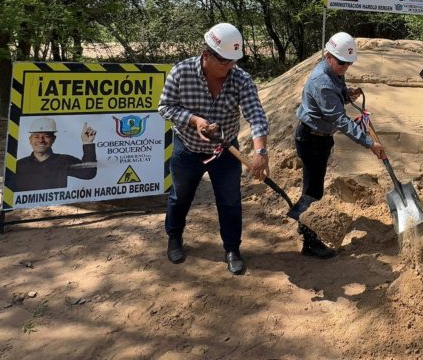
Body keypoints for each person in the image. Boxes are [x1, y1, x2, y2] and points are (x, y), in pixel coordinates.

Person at [157, 22, 269, 276]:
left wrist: (260, 152)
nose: (230, 67)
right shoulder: (181, 72)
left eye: (233, 61)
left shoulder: (241, 79)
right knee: (180, 196)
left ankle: (232, 249)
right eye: (224, 61)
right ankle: (174, 237)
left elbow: (257, 116)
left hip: (225, 152)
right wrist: (194, 120)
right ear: (206, 54)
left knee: (230, 201)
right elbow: (165, 107)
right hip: (187, 148)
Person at [290, 32, 385, 258]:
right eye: (342, 62)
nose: (345, 67)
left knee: (314, 186)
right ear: (328, 55)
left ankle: (303, 221)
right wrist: (369, 143)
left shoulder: (334, 73)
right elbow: (340, 120)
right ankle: (308, 239)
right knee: (313, 191)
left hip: (321, 137)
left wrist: (347, 94)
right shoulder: (321, 82)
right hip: (311, 138)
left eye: (349, 63)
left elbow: (336, 97)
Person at [15, 117, 97, 191]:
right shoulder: (19, 165)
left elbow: (88, 173)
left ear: (53, 139)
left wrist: (87, 143)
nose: (41, 140)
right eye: (36, 136)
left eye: (46, 136)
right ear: (30, 139)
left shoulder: (64, 161)